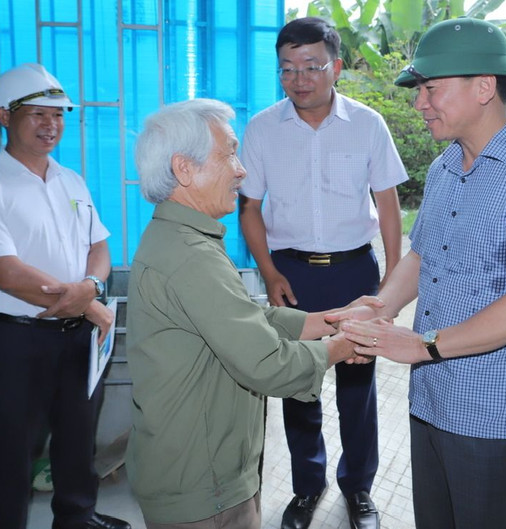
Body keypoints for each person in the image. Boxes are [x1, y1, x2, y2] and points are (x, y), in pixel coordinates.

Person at [332, 18, 506, 529]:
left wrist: (423, 345)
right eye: (419, 90)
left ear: (484, 87)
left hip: (493, 416)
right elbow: (422, 256)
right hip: (432, 400)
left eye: (431, 88)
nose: (419, 103)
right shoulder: (448, 165)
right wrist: (377, 308)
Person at [124, 98, 369, 529]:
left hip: (199, 472)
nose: (241, 170)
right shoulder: (189, 256)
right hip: (205, 489)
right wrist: (345, 345)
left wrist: (324, 322)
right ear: (184, 169)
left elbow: (237, 321)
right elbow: (266, 364)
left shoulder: (181, 238)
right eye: (229, 154)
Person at [238, 17, 408, 529]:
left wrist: (392, 279)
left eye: (312, 66)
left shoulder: (368, 124)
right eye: (288, 68)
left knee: (358, 385)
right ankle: (306, 487)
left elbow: (388, 203)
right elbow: (248, 209)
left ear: (335, 67)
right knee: (298, 384)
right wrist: (268, 272)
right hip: (291, 274)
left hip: (354, 270)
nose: (300, 78)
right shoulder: (263, 128)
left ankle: (358, 489)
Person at [0, 63, 130, 529]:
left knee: (77, 441)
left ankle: (77, 518)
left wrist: (90, 287)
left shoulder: (71, 180)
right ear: (3, 115)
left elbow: (99, 246)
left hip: (78, 337)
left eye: (58, 115)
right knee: (13, 453)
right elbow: (8, 274)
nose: (51, 125)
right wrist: (89, 302)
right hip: (16, 342)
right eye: (37, 114)